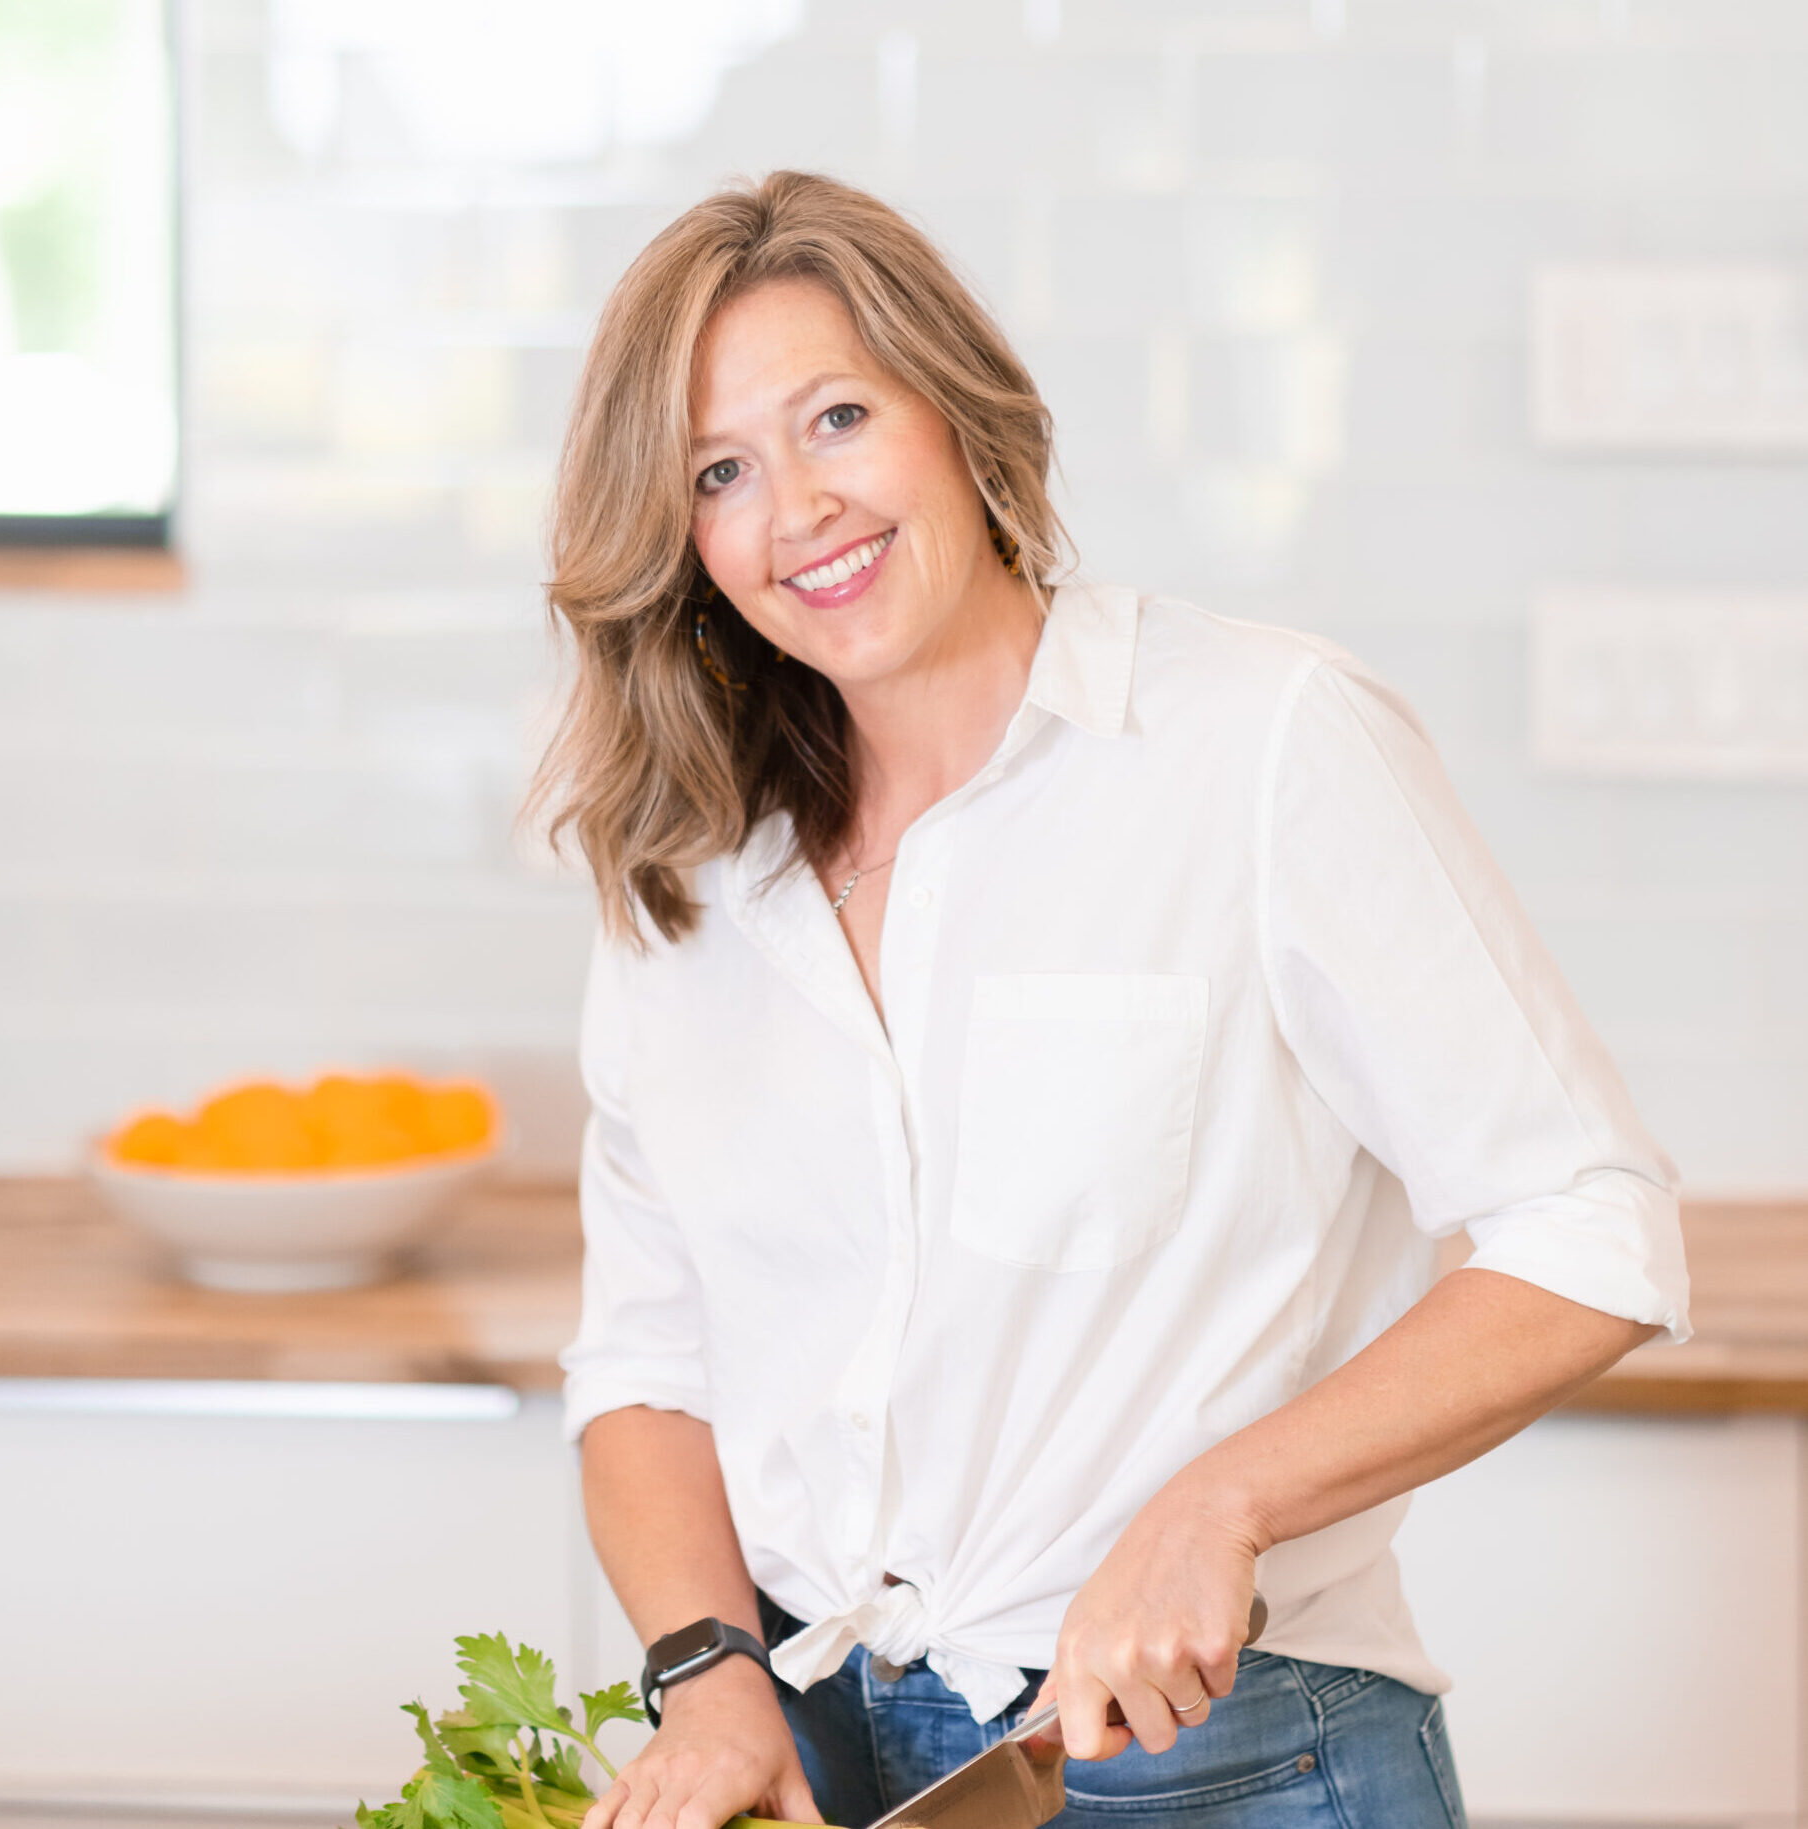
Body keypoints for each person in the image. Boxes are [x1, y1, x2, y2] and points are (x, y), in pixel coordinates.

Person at [536, 171, 1687, 1829]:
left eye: (836, 417)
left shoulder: (1257, 742)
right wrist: (710, 1676)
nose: (795, 510)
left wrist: (1218, 1502)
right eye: (719, 471)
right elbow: (645, 1365)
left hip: (1229, 1760)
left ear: (955, 406)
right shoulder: (691, 873)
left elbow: (1590, 1227)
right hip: (825, 1771)